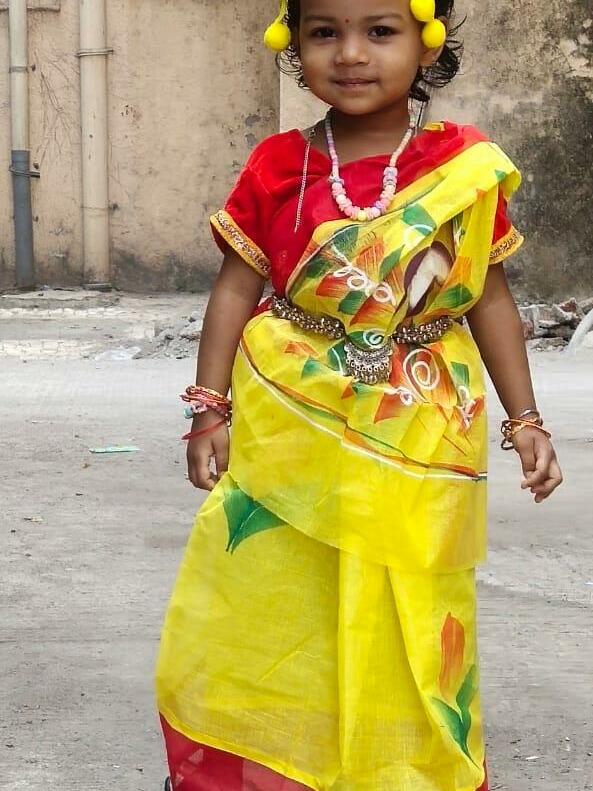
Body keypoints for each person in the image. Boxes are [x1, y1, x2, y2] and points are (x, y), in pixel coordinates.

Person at [155, 0, 564, 788]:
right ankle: (280, 764)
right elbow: (235, 288)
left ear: (426, 44)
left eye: (379, 31)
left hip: (421, 426)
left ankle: (399, 767)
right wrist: (208, 405)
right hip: (289, 425)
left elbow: (488, 298)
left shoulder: (462, 168)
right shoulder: (279, 163)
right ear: (293, 44)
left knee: (409, 606)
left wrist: (525, 420)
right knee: (273, 589)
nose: (349, 54)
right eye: (323, 33)